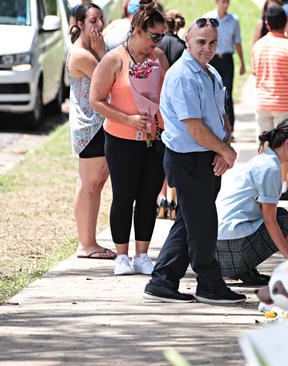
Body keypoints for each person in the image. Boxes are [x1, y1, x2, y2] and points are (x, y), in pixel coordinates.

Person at [144, 18, 246, 304]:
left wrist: (223, 146)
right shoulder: (183, 75)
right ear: (187, 40)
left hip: (206, 155)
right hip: (188, 158)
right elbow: (194, 127)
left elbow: (218, 116)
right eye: (201, 42)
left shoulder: (209, 71)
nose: (208, 48)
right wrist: (225, 152)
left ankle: (162, 281)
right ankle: (208, 284)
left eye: (213, 42)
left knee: (191, 221)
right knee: (203, 224)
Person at [89, 0, 169, 275]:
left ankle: (142, 254)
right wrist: (128, 119)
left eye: (162, 36)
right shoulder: (113, 60)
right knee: (124, 196)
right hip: (121, 138)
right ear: (136, 30)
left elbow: (166, 96)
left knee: (149, 197)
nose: (158, 42)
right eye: (154, 35)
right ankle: (121, 254)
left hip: (154, 138)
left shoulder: (159, 58)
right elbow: (96, 101)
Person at [216, 118, 288, 285]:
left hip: (218, 243)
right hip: (228, 249)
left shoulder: (266, 159)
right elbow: (269, 221)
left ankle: (245, 267)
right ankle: (243, 267)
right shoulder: (271, 168)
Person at [68, 3, 115, 260]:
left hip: (100, 124)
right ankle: (85, 244)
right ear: (80, 24)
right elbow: (105, 82)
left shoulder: (95, 49)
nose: (99, 25)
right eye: (93, 20)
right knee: (88, 184)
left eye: (101, 19)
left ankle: (91, 241)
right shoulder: (81, 55)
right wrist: (100, 51)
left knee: (97, 184)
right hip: (89, 127)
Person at [251, 5, 288, 201]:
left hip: (263, 102)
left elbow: (255, 73)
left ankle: (264, 185)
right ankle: (282, 184)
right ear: (285, 22)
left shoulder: (258, 46)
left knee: (265, 146)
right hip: (286, 104)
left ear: (266, 24)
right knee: (286, 147)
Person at [155, 9, 186, 220]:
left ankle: (161, 198)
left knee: (161, 156)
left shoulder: (156, 46)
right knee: (174, 152)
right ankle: (174, 201)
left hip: (158, 102)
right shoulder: (181, 47)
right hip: (175, 104)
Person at [204, 0, 245, 133]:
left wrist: (242, 63)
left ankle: (230, 129)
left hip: (227, 60)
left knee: (227, 95)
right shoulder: (208, 18)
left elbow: (237, 42)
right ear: (216, 2)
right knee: (211, 92)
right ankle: (214, 126)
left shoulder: (234, 20)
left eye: (227, 2)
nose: (226, 5)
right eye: (223, 2)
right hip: (212, 60)